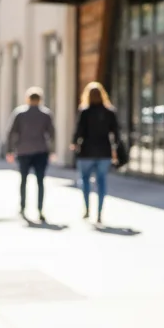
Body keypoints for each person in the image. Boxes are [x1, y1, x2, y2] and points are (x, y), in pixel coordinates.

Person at [72, 82, 121, 225]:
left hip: (86, 151)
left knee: (85, 181)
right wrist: (116, 151)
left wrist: (74, 144)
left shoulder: (85, 111)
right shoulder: (109, 111)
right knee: (101, 182)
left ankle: (87, 209)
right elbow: (116, 133)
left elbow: (78, 131)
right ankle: (99, 213)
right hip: (104, 151)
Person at [5, 87, 55, 223]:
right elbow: (52, 133)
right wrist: (52, 150)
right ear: (40, 100)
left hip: (23, 151)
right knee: (40, 182)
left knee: (23, 180)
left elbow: (11, 133)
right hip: (41, 151)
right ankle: (40, 209)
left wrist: (9, 150)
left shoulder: (20, 113)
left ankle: (22, 207)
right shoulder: (45, 114)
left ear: (28, 99)